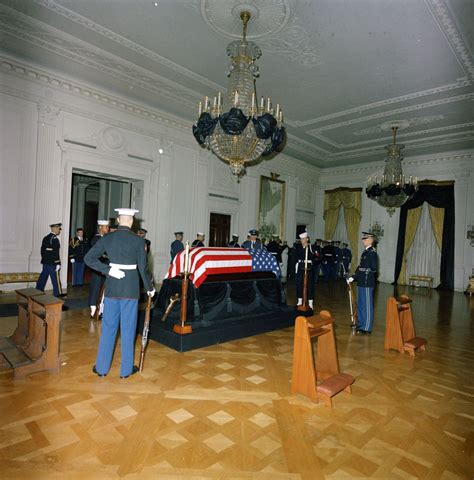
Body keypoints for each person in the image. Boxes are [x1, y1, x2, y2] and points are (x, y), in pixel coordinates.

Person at [84, 208, 155, 378]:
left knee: (108, 328)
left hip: (112, 288)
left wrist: (108, 270)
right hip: (130, 289)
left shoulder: (108, 238)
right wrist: (149, 288)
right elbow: (143, 269)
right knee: (128, 329)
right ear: (132, 222)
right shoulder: (139, 241)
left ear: (117, 220)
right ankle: (125, 370)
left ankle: (101, 369)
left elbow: (89, 258)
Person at [347, 232, 378, 335]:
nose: (363, 240)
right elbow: (360, 267)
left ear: (370, 240)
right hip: (361, 281)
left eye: (365, 239)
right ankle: (360, 324)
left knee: (367, 305)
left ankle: (367, 327)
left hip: (367, 282)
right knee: (360, 304)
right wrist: (353, 277)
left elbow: (374, 269)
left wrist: (365, 273)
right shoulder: (365, 252)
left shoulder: (372, 252)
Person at [36, 222, 66, 297]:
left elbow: (42, 251)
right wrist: (57, 263)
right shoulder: (55, 239)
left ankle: (38, 291)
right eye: (59, 229)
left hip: (46, 263)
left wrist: (45, 260)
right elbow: (55, 252)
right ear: (55, 229)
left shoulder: (46, 237)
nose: (59, 230)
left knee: (43, 278)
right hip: (53, 263)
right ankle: (57, 293)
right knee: (55, 280)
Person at [88, 220, 110, 318]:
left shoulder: (105, 238)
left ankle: (101, 308)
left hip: (105, 268)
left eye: (108, 227)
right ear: (100, 227)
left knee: (103, 288)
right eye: (106, 227)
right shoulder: (96, 239)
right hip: (97, 268)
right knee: (96, 288)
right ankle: (93, 309)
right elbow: (100, 254)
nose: (107, 229)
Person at [295, 232, 316, 310]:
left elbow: (318, 257)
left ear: (307, 239)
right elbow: (295, 257)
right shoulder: (298, 247)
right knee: (299, 283)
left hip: (309, 267)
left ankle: (310, 302)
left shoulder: (312, 247)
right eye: (301, 239)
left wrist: (313, 262)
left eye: (303, 239)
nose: (302, 240)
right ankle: (299, 300)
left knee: (310, 285)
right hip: (301, 266)